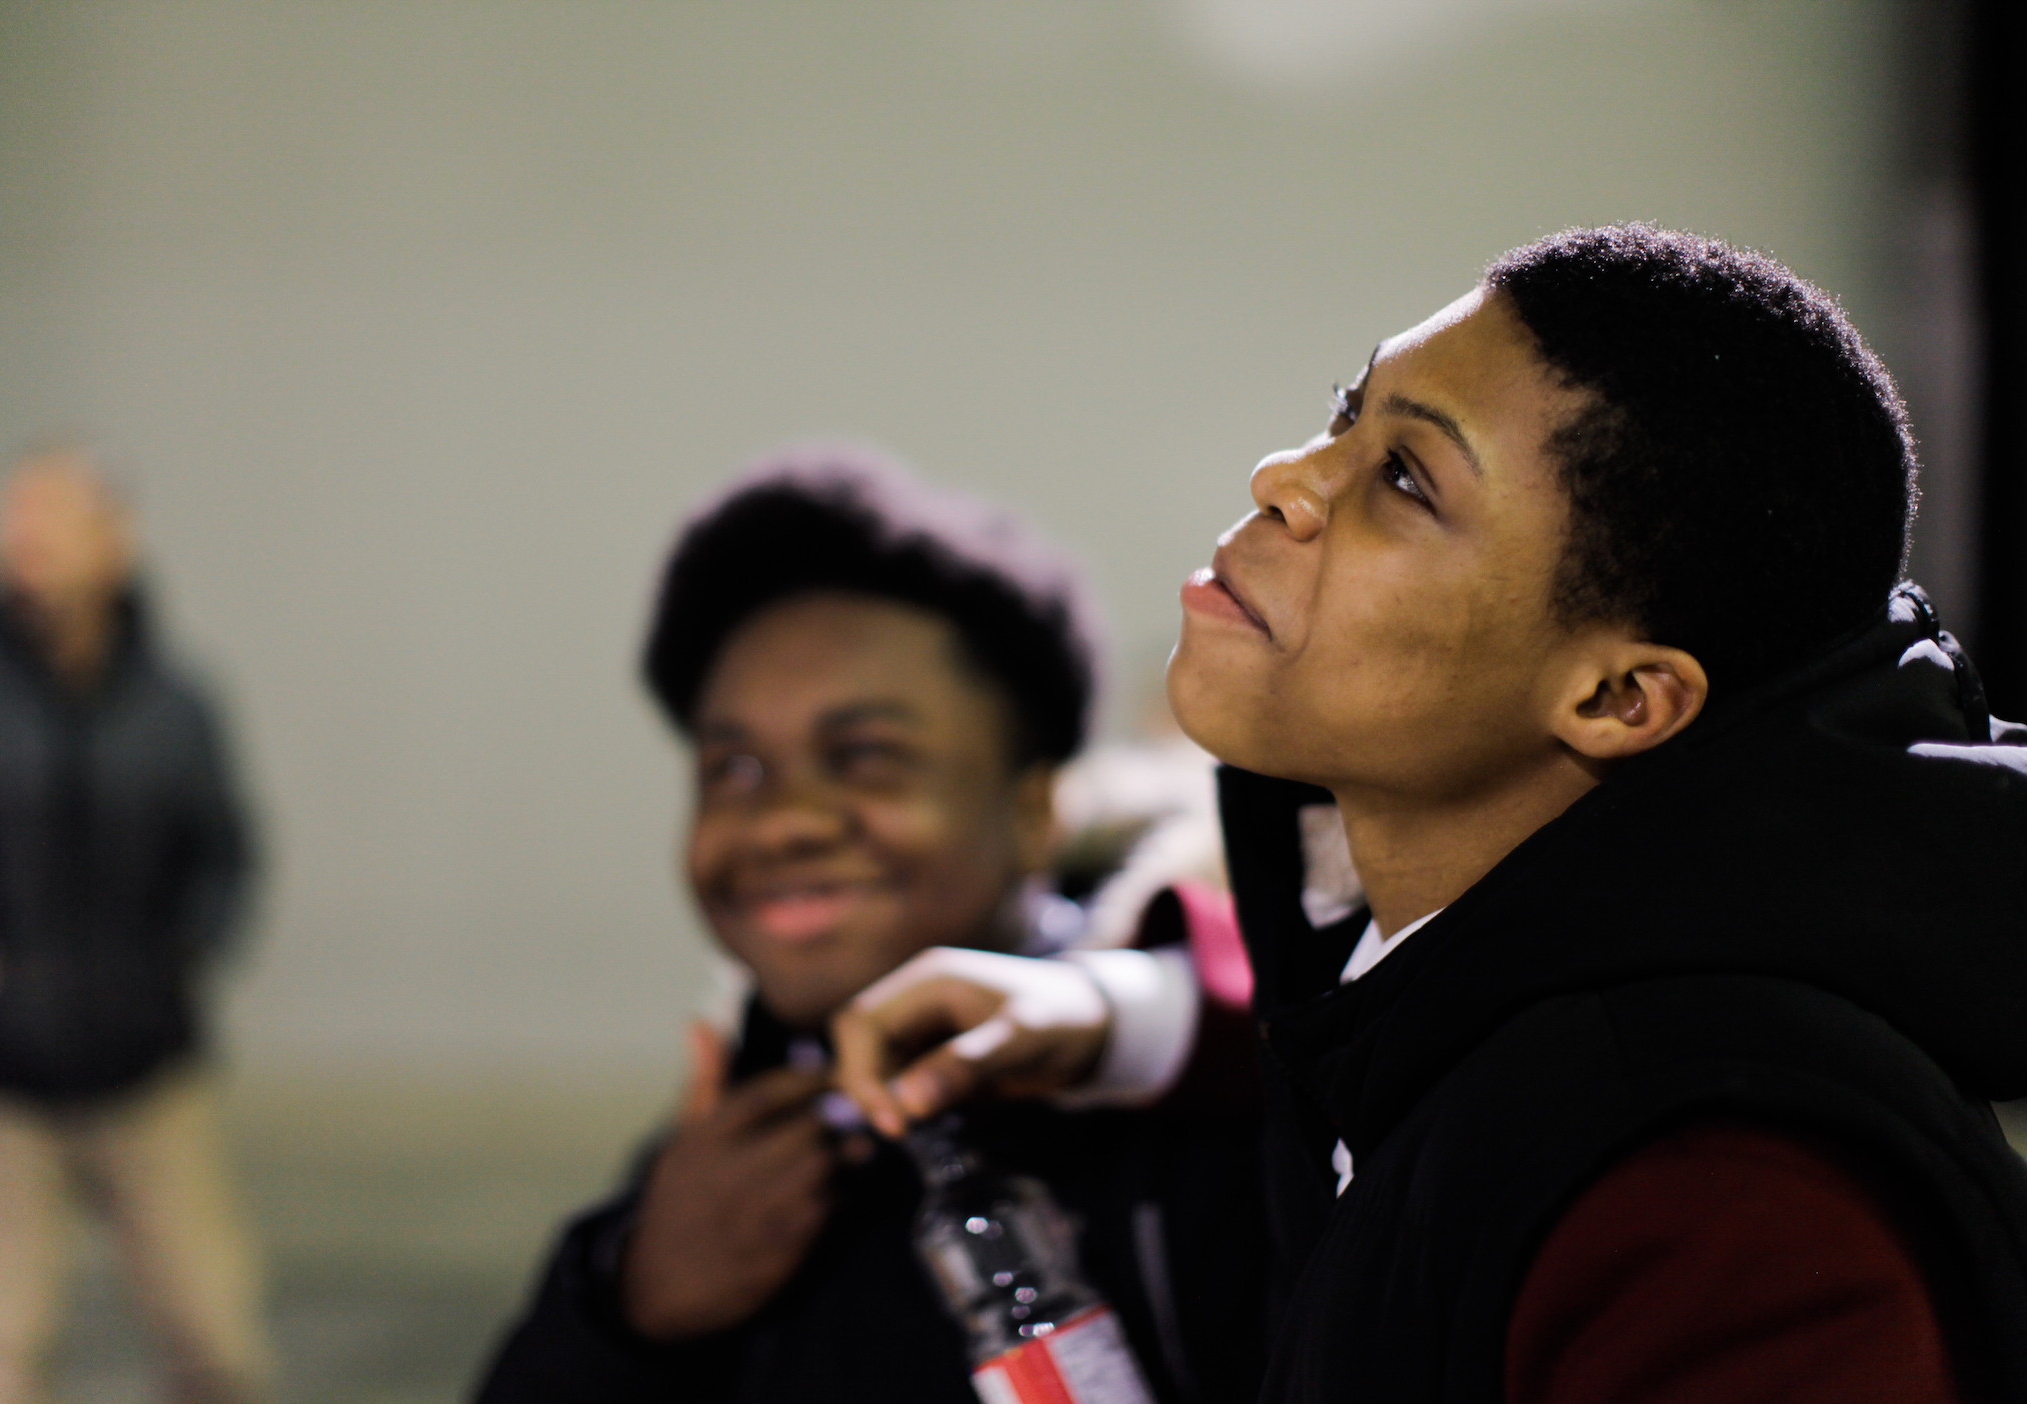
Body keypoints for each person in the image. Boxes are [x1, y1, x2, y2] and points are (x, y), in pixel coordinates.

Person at [835, 225, 2027, 1402]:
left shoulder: (1721, 1199)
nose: (1286, 478)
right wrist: (1132, 1015)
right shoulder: (1439, 979)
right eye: (1348, 412)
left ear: (1618, 698)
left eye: (1405, 478)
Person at [476, 448, 1268, 1403]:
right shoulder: (727, 1137)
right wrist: (628, 1303)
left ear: (1033, 814)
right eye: (733, 769)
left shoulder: (1206, 1111)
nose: (783, 821)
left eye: (866, 757)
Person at [0, 452, 274, 1404]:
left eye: (53, 523)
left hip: (147, 1067)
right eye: (15, 523)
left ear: (112, 541)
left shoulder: (174, 705)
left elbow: (226, 854)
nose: (28, 546)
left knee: (213, 1333)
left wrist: (186, 955)